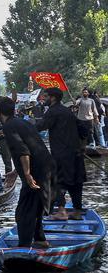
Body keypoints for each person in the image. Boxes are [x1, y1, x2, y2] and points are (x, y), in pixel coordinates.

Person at [0, 96, 52, 248]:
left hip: (35, 172)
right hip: (46, 167)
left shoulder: (8, 126)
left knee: (23, 212)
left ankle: (24, 247)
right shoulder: (22, 122)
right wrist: (16, 171)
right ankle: (40, 240)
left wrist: (26, 174)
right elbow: (31, 147)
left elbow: (23, 151)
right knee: (36, 206)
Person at [35, 87, 87, 220]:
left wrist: (25, 124)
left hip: (61, 154)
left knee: (56, 182)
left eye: (45, 96)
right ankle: (76, 211)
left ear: (52, 98)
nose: (44, 99)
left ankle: (62, 211)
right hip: (76, 154)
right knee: (76, 182)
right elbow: (83, 129)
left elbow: (40, 126)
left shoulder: (53, 111)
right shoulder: (68, 111)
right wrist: (82, 147)